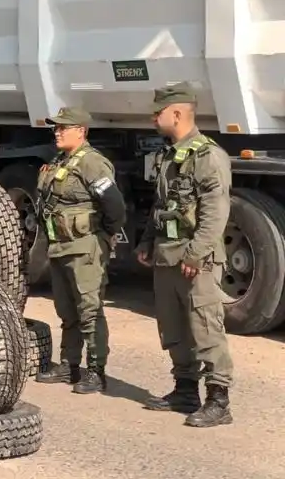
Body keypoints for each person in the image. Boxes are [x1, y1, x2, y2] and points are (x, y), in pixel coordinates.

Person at [135, 82, 234, 427]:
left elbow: (215, 214)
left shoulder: (208, 157)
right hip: (167, 255)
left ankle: (219, 401)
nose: (153, 118)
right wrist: (147, 241)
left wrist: (195, 254)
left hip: (196, 259)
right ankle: (185, 390)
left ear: (176, 113)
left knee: (205, 327)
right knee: (174, 326)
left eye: (157, 112)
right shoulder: (169, 155)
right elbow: (161, 205)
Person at [33, 106, 127, 394]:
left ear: (81, 131)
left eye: (63, 127)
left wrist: (103, 236)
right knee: (67, 310)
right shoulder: (59, 161)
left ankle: (96, 371)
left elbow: (115, 207)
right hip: (60, 247)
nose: (57, 132)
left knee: (89, 310)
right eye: (56, 127)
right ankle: (69, 365)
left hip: (84, 247)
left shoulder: (92, 163)